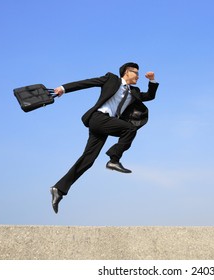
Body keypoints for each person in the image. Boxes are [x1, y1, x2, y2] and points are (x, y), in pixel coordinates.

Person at [50, 62, 159, 213]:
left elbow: (150, 96)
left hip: (106, 124)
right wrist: (63, 88)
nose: (138, 76)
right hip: (99, 118)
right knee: (129, 129)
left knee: (88, 159)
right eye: (136, 73)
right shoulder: (111, 79)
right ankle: (113, 160)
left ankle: (59, 189)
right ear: (127, 72)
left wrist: (152, 80)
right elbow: (87, 83)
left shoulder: (134, 91)